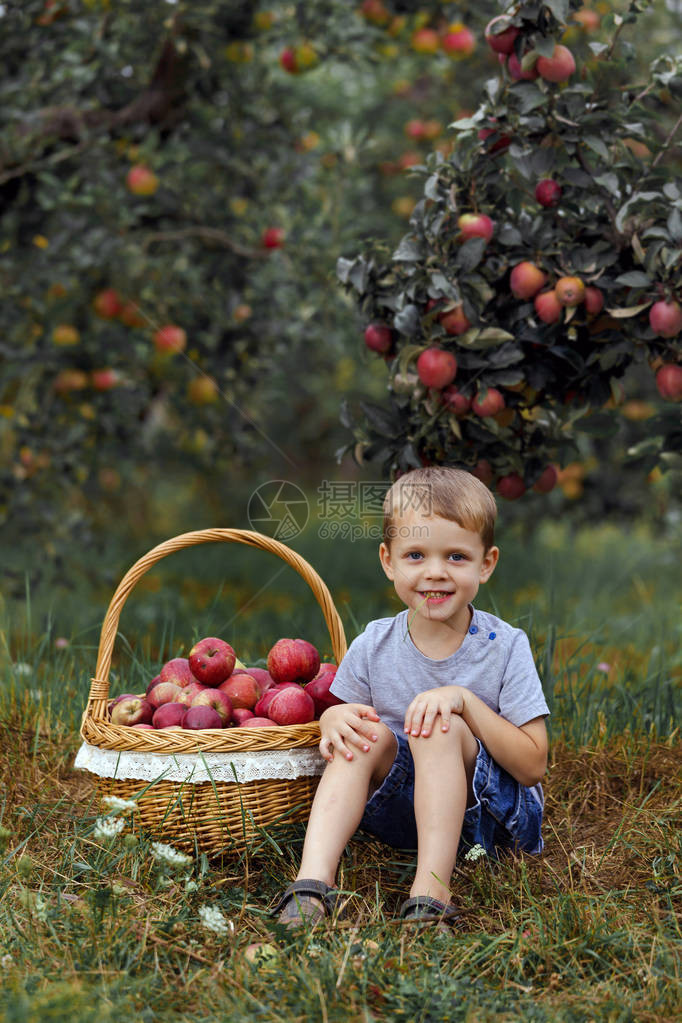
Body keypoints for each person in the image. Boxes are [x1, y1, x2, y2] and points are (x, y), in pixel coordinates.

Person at [272, 466, 549, 930]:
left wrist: (464, 701)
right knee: (362, 734)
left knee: (440, 723)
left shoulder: (505, 646)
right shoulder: (374, 643)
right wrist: (331, 721)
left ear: (487, 563)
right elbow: (340, 716)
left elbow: (533, 764)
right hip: (401, 817)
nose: (435, 573)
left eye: (457, 556)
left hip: (489, 823)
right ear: (389, 561)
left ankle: (431, 893)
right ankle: (312, 885)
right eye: (416, 554)